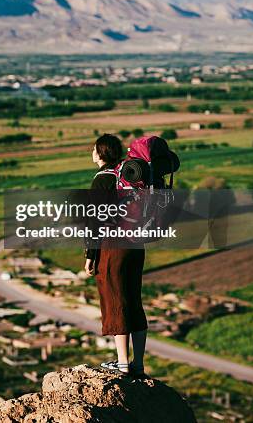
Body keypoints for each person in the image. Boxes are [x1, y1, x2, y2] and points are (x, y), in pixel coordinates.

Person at [84, 133, 148, 376]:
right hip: (136, 245)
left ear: (100, 153)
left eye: (94, 149)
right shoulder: (129, 176)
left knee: (116, 301)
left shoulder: (103, 180)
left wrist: (90, 253)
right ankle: (138, 364)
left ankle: (122, 364)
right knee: (134, 300)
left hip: (113, 248)